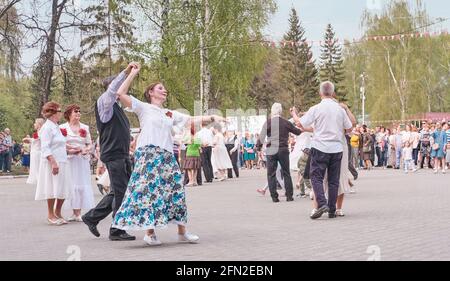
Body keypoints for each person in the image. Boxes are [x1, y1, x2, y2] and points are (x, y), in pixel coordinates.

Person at [111, 73, 226, 246]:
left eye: (164, 88)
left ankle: (182, 232)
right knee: (150, 193)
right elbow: (120, 93)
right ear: (151, 92)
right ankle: (150, 234)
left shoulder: (169, 114)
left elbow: (190, 120)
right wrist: (132, 73)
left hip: (166, 156)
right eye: (160, 88)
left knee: (176, 191)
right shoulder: (143, 108)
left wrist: (212, 118)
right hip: (148, 155)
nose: (164, 91)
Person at [82, 63, 139, 241]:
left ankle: (91, 217)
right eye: (118, 86)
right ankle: (116, 230)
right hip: (113, 154)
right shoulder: (104, 103)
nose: (123, 89)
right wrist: (127, 73)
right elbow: (115, 89)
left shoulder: (117, 107)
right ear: (111, 87)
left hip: (121, 154)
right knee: (121, 191)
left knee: (119, 190)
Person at [292, 81, 353, 219]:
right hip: (336, 148)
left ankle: (322, 203)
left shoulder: (316, 108)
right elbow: (349, 128)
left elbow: (300, 123)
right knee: (333, 179)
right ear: (332, 93)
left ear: (320, 93)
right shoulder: (339, 109)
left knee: (316, 177)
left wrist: (295, 114)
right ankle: (332, 209)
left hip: (320, 147)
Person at [35, 102, 73, 226]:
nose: (61, 113)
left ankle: (58, 212)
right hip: (52, 162)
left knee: (62, 187)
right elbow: (45, 147)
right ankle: (50, 214)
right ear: (52, 113)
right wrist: (53, 162)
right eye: (59, 111)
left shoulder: (56, 127)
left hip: (63, 160)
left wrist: (72, 149)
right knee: (51, 187)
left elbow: (60, 143)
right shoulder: (47, 128)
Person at [260, 103, 302, 203]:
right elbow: (297, 132)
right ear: (281, 111)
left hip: (271, 149)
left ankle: (274, 197)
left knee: (271, 174)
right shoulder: (285, 122)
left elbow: (261, 136)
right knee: (286, 172)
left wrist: (258, 147)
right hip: (283, 149)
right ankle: (289, 196)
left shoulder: (268, 122)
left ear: (272, 111)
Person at [60, 104, 95, 222]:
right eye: (76, 111)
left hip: (81, 159)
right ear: (69, 114)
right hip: (69, 159)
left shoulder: (85, 127)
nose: (78, 113)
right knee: (71, 184)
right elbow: (59, 143)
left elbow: (89, 143)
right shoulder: (62, 127)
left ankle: (78, 212)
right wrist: (70, 149)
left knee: (81, 184)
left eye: (79, 111)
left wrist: (86, 149)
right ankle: (74, 212)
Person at [25, 119, 45, 184]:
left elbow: (39, 140)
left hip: (38, 152)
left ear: (39, 125)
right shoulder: (37, 132)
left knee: (37, 167)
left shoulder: (42, 132)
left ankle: (39, 179)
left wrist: (29, 139)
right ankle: (35, 178)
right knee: (34, 166)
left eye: (35, 123)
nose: (34, 124)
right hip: (34, 151)